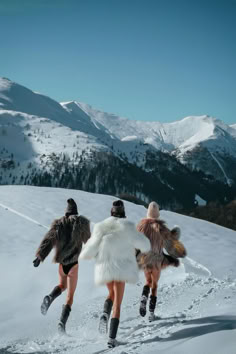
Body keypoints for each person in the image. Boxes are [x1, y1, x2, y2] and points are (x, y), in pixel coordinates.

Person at [79, 200, 151, 348]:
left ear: (111, 212)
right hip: (121, 268)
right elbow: (145, 245)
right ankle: (111, 339)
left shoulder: (100, 227)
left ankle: (105, 313)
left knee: (110, 293)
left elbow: (88, 250)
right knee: (117, 304)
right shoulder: (128, 227)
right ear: (123, 212)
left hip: (105, 267)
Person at [33, 198, 90, 333]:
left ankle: (50, 297)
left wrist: (39, 257)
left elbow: (48, 240)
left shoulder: (58, 225)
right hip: (73, 265)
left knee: (61, 285)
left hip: (62, 265)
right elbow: (89, 240)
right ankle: (61, 324)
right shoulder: (81, 224)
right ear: (76, 212)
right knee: (70, 296)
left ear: (66, 213)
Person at [136, 201, 187, 321]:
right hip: (157, 260)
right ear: (158, 214)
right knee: (154, 285)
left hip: (145, 258)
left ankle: (144, 296)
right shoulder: (161, 228)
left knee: (147, 281)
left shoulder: (141, 226)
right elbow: (170, 242)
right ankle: (151, 314)